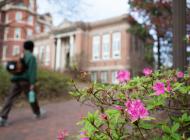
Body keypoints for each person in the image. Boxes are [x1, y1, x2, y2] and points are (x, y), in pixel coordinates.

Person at [0, 40, 44, 126]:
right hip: (25, 81)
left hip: (15, 80)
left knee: (10, 98)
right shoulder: (31, 57)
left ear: (24, 47)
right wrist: (32, 83)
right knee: (32, 97)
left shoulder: (20, 55)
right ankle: (37, 112)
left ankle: (2, 117)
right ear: (32, 48)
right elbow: (32, 71)